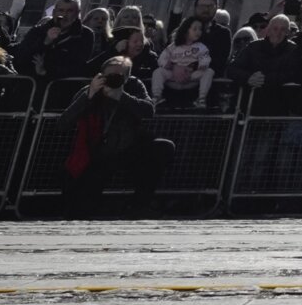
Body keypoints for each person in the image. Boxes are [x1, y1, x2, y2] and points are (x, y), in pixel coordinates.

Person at [56, 56, 175, 215]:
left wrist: (121, 96)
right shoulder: (90, 90)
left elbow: (148, 111)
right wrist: (89, 95)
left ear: (127, 78)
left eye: (119, 76)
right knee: (82, 206)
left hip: (128, 149)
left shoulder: (133, 86)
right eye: (109, 75)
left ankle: (139, 204)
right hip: (98, 152)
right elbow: (63, 123)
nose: (113, 79)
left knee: (163, 147)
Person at [153, 19, 215, 109]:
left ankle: (201, 98)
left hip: (192, 75)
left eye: (200, 29)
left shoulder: (200, 47)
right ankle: (157, 96)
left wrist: (201, 65)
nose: (198, 32)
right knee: (158, 72)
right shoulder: (173, 46)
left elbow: (205, 58)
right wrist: (169, 65)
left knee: (209, 72)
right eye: (195, 29)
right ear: (186, 30)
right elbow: (162, 59)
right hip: (173, 76)